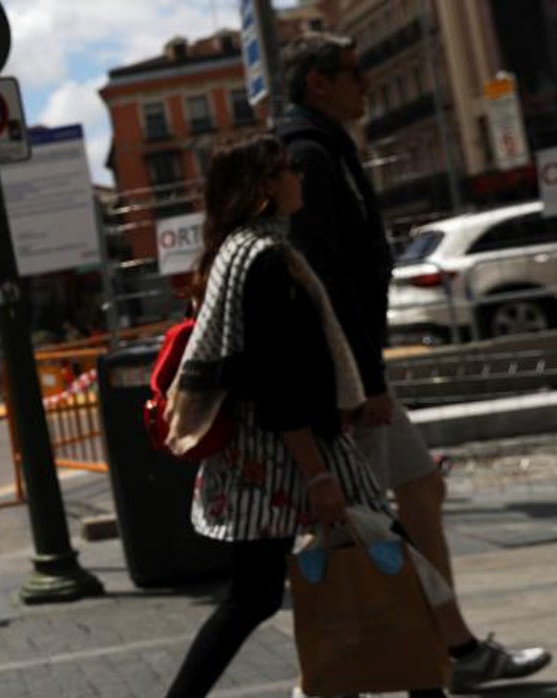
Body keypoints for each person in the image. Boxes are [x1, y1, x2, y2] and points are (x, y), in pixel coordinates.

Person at [276, 32, 551, 693]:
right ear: (318, 83)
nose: (366, 84)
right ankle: (340, 673)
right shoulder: (308, 155)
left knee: (421, 488)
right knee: (357, 526)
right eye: (353, 72)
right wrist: (363, 383)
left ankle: (453, 652)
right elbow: (329, 280)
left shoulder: (324, 147)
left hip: (362, 371)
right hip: (351, 381)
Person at [161, 134, 449, 698]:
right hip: (290, 453)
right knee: (392, 565)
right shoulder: (266, 260)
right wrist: (316, 474)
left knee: (258, 595)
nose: (301, 177)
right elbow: (277, 379)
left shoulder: (237, 250)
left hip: (260, 455)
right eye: (290, 169)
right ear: (267, 185)